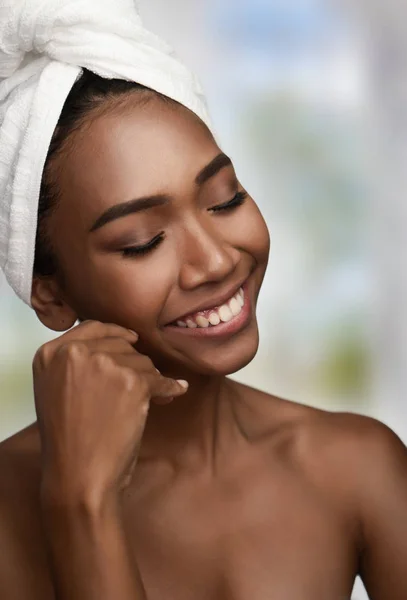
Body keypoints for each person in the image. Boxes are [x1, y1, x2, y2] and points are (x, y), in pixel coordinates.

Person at [0, 3, 406, 600]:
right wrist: (80, 505)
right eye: (144, 242)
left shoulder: (356, 466)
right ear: (50, 292)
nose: (216, 260)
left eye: (223, 199)